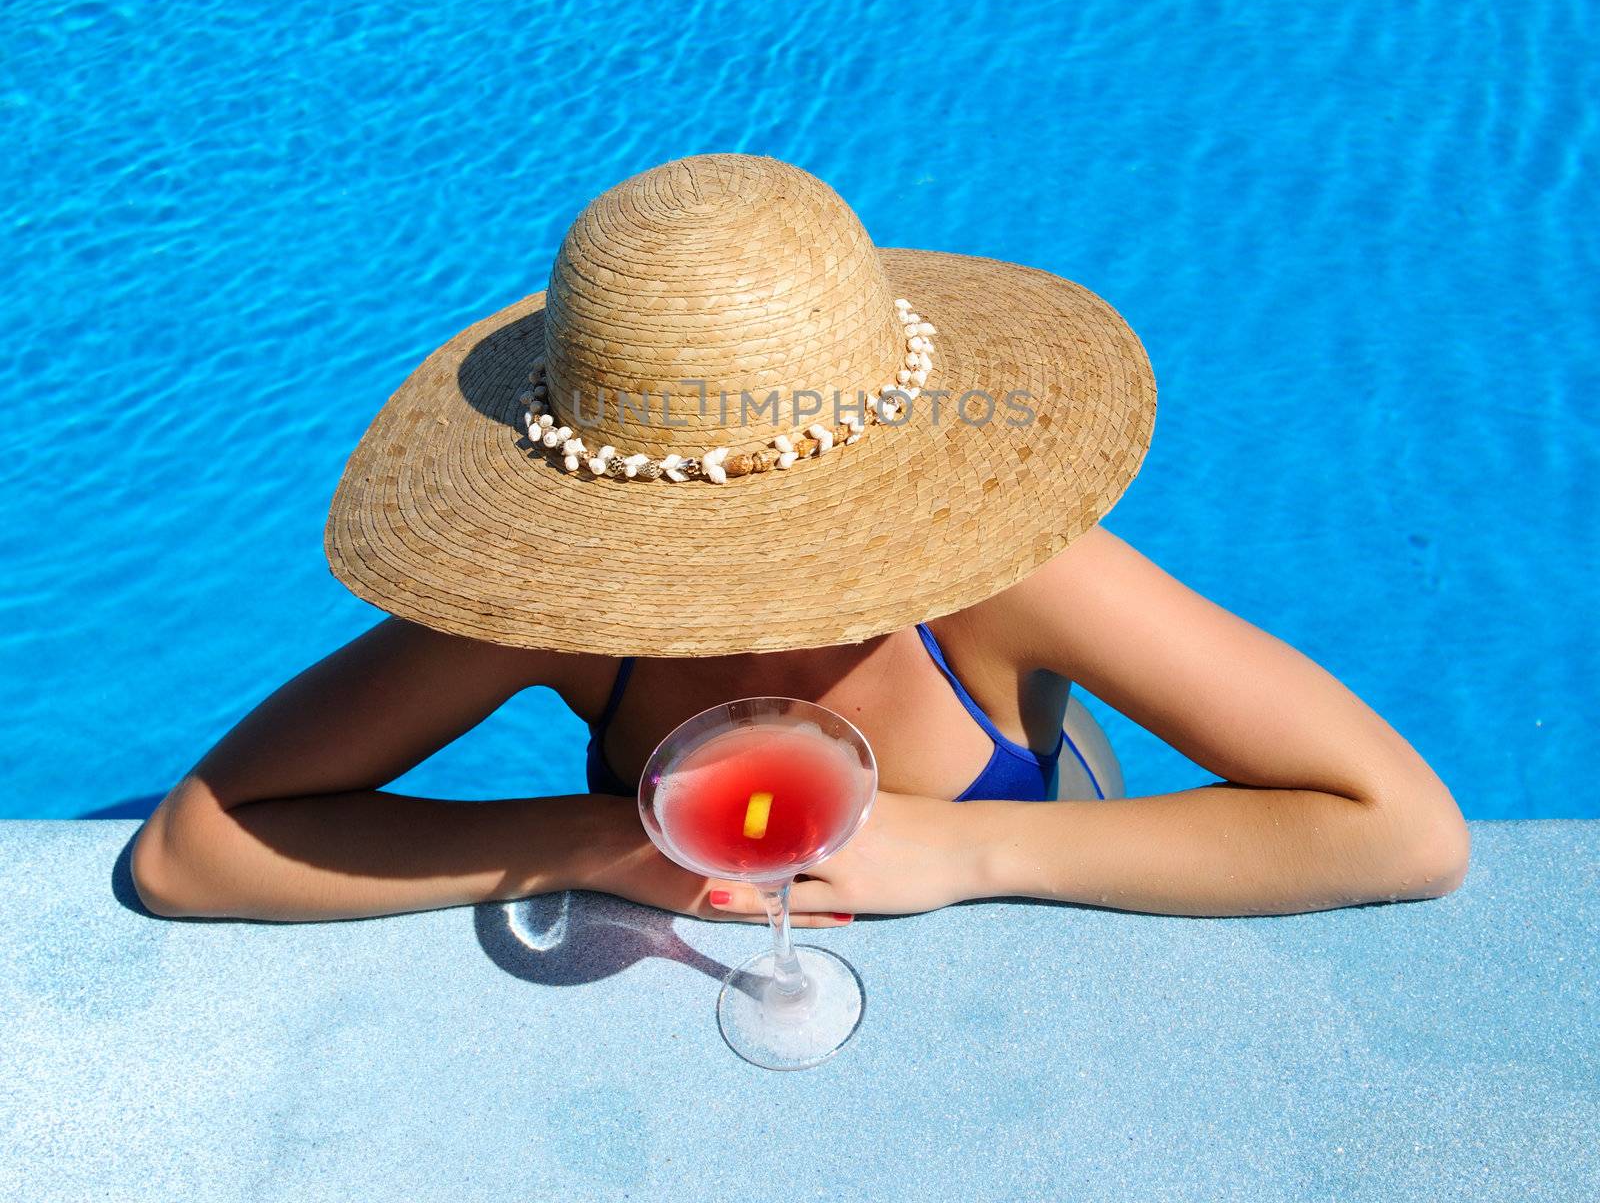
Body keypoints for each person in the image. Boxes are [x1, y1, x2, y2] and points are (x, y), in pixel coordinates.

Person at [130, 153, 1468, 925]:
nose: (755, 593)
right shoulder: (560, 606)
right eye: (706, 538)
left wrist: (976, 853)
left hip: (1049, 820)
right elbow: (193, 850)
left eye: (781, 536)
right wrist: (598, 847)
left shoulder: (1013, 579)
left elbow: (1399, 827)